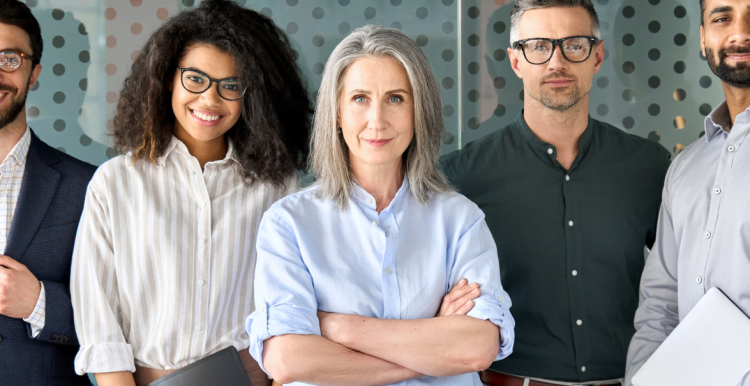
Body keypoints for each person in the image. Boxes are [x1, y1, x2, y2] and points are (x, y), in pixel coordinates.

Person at [245, 25, 515, 386]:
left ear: (419, 111)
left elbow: (478, 347)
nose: (377, 120)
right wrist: (433, 342)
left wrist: (339, 327)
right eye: (359, 98)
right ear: (337, 114)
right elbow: (286, 358)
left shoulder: (460, 219)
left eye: (396, 98)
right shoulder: (289, 223)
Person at [69, 1, 311, 385]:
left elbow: (291, 312)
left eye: (231, 86)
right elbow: (100, 329)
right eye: (195, 79)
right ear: (168, 77)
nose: (210, 100)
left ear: (253, 96)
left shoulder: (279, 187)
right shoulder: (113, 184)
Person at [441, 1, 671, 385]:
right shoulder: (462, 177)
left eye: (574, 45)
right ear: (516, 62)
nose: (556, 62)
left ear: (597, 56)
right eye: (538, 46)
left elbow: (683, 281)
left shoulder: (648, 167)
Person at [625, 1, 750, 385]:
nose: (740, 33)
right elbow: (660, 304)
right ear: (702, 38)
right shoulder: (685, 168)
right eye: (722, 18)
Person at [0, 1, 96, 385]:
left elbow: (122, 320)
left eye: (9, 58)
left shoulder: (89, 186)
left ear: (34, 72)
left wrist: (39, 303)